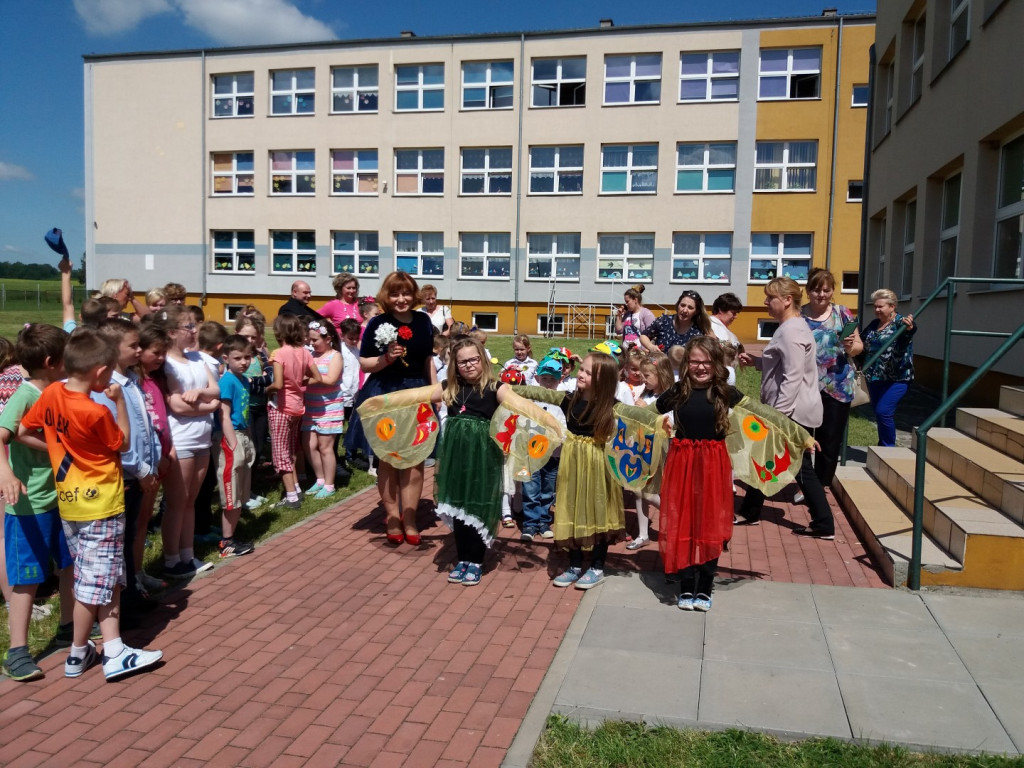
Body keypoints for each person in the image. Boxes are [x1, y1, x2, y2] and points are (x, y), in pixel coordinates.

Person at [19, 326, 163, 680]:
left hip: (70, 502)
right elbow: (123, 442)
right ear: (100, 372)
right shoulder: (95, 411)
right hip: (101, 504)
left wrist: (59, 448)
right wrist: (118, 401)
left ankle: (109, 647)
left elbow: (24, 430)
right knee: (93, 583)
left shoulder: (52, 393)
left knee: (106, 574)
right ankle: (82, 652)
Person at [362, 338, 561, 585]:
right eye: (462, 362)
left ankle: (475, 560)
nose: (469, 365)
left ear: (483, 360)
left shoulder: (496, 388)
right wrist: (382, 401)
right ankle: (463, 557)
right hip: (456, 457)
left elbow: (523, 406)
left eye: (474, 359)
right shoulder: (450, 388)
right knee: (458, 504)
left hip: (483, 457)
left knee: (477, 504)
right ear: (455, 365)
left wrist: (553, 424)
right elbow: (415, 395)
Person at [0, 324, 74, 681]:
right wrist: (6, 474)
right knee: (27, 578)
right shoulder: (25, 395)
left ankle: (68, 628)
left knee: (69, 565)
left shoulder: (59, 390)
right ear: (51, 362)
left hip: (64, 498)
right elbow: (3, 434)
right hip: (29, 505)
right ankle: (17, 652)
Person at [737, 278, 833, 539]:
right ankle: (750, 511)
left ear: (787, 300)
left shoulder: (791, 331)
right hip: (792, 410)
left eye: (771, 297)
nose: (766, 302)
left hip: (792, 412)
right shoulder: (791, 327)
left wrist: (777, 418)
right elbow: (784, 366)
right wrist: (758, 361)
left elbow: (793, 376)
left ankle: (824, 523)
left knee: (800, 468)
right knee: (764, 459)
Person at [655, 338, 743, 611]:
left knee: (709, 524)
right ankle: (685, 584)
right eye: (694, 361)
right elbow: (647, 413)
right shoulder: (677, 391)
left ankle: (704, 585)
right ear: (686, 363)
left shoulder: (725, 393)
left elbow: (763, 415)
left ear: (716, 364)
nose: (701, 367)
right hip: (681, 465)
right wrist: (611, 411)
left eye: (706, 362)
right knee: (682, 521)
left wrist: (800, 437)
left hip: (713, 466)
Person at [353, 271, 436, 545]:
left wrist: (435, 393)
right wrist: (387, 358)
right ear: (386, 296)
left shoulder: (423, 321)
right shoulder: (378, 322)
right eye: (395, 293)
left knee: (415, 458)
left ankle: (409, 518)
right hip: (385, 393)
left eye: (406, 293)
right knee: (388, 458)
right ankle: (391, 516)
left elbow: (428, 359)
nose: (401, 299)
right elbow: (365, 363)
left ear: (414, 295)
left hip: (416, 394)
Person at [93, 318, 161, 617]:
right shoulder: (106, 388)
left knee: (130, 535)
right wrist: (141, 469)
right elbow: (116, 439)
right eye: (133, 346)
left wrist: (153, 462)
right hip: (124, 474)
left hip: (139, 472)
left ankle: (131, 593)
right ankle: (119, 608)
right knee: (118, 542)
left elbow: (145, 426)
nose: (139, 351)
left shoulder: (131, 380)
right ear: (112, 348)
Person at [159, 305, 220, 578]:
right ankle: (171, 560)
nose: (195, 331)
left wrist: (200, 395)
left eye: (194, 326)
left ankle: (187, 554)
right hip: (181, 439)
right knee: (177, 500)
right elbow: (176, 405)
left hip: (202, 438)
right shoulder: (167, 364)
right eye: (189, 327)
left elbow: (215, 390)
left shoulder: (198, 358)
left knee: (191, 500)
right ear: (172, 332)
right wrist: (209, 405)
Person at [801, 269, 864, 484]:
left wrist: (850, 346)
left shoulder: (842, 313)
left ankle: (821, 485)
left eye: (826, 290)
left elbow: (858, 347)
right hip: (804, 386)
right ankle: (806, 483)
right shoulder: (798, 316)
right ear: (808, 291)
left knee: (829, 441)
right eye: (816, 290)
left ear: (832, 291)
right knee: (802, 439)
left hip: (837, 386)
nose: (821, 295)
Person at [266, 314, 322, 508]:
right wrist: (300, 383)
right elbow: (317, 377)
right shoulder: (304, 352)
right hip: (298, 407)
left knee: (281, 453)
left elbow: (278, 384)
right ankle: (296, 488)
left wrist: (266, 389)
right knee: (290, 449)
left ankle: (291, 497)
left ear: (279, 332)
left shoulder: (279, 353)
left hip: (281, 407)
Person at [627, 351, 675, 551]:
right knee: (638, 490)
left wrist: (645, 409)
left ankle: (676, 518)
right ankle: (642, 534)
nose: (643, 378)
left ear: (660, 374)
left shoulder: (670, 396)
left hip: (661, 448)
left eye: (647, 375)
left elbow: (670, 422)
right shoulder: (645, 393)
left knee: (650, 492)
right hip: (642, 445)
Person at [214, 335, 256, 558]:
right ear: (226, 358)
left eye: (247, 357)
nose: (243, 362)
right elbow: (224, 415)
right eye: (238, 358)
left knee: (240, 491)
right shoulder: (227, 382)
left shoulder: (243, 380)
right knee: (231, 492)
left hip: (243, 434)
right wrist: (233, 443)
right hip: (231, 438)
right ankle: (226, 542)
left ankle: (232, 535)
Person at [519, 355, 567, 541]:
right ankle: (530, 524)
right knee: (530, 488)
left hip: (553, 454)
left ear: (559, 380)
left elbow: (564, 425)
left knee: (548, 489)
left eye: (552, 379)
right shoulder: (531, 398)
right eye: (544, 378)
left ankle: (543, 521)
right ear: (537, 378)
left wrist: (560, 438)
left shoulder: (562, 400)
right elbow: (522, 420)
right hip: (531, 452)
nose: (548, 383)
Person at [861, 288, 917, 448]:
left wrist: (910, 327)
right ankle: (882, 447)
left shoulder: (900, 323)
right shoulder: (874, 324)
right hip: (875, 377)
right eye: (875, 306)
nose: (877, 310)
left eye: (881, 306)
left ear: (892, 306)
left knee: (883, 411)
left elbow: (909, 332)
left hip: (897, 378)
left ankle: (888, 448)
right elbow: (862, 342)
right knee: (880, 414)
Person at [303, 320, 344, 499]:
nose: (311, 343)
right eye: (310, 339)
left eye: (315, 340)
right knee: (309, 445)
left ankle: (329, 484)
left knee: (325, 447)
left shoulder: (335, 356)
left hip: (329, 407)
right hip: (311, 406)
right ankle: (320, 479)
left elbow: (331, 379)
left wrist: (307, 380)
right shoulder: (311, 354)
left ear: (328, 339)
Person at [639, 290, 710, 355]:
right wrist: (651, 347)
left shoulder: (698, 331)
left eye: (690, 308)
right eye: (682, 305)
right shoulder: (664, 321)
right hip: (660, 364)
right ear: (677, 305)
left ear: (696, 311)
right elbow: (644, 336)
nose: (685, 310)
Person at [614, 284, 656, 350]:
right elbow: (618, 330)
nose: (626, 304)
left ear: (635, 300)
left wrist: (647, 349)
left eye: (627, 301)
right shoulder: (627, 314)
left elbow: (653, 335)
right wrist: (619, 315)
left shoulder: (647, 314)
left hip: (640, 352)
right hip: (627, 351)